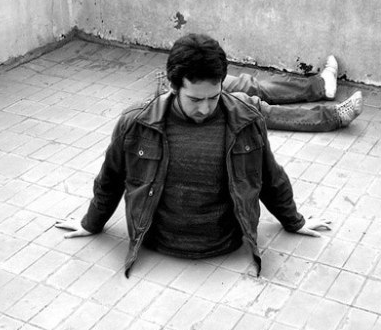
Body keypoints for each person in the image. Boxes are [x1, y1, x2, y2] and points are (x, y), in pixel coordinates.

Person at [55, 33, 331, 277]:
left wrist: (295, 221)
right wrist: (91, 223)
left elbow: (270, 177)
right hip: (157, 245)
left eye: (214, 97)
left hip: (227, 246)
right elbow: (110, 178)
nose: (206, 108)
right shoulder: (136, 123)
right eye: (195, 99)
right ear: (173, 87)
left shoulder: (247, 120)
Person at [156, 54, 363, 132]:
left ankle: (320, 86)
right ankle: (332, 117)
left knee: (247, 85)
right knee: (250, 105)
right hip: (176, 100)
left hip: (180, 78)